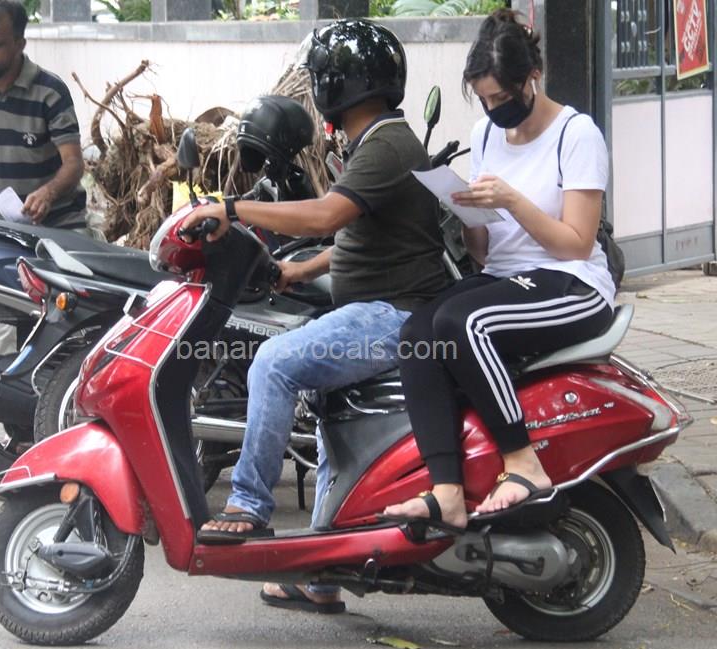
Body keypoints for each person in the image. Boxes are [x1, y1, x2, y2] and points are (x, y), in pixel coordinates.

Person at [182, 19, 450, 611]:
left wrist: (232, 207)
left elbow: (327, 215)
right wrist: (297, 271)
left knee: (274, 363)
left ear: (336, 85)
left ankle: (248, 506)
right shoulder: (378, 141)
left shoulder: (386, 145)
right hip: (384, 307)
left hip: (393, 315)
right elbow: (362, 236)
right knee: (331, 417)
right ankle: (323, 570)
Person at [383, 9, 616, 531]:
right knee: (417, 333)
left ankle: (524, 463)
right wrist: (467, 212)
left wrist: (511, 200)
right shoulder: (486, 133)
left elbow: (577, 244)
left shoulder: (576, 134)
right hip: (507, 276)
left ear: (533, 76)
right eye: (484, 99)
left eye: (501, 98)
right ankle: (446, 491)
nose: (493, 109)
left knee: (463, 323)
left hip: (573, 282)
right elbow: (486, 253)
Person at [0, 0, 99, 354]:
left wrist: (49, 193)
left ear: (19, 43)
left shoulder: (50, 91)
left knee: (69, 337)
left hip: (60, 229)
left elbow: (74, 163)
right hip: (0, 233)